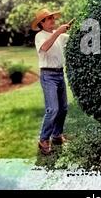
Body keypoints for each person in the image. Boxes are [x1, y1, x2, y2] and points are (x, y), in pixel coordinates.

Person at [31, 8, 72, 155]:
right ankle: (43, 139)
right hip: (48, 76)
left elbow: (72, 37)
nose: (53, 20)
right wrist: (58, 32)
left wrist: (70, 29)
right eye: (49, 19)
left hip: (59, 74)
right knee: (53, 109)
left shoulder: (59, 35)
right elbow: (45, 47)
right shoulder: (39, 36)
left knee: (63, 108)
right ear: (41, 23)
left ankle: (56, 135)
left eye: (53, 18)